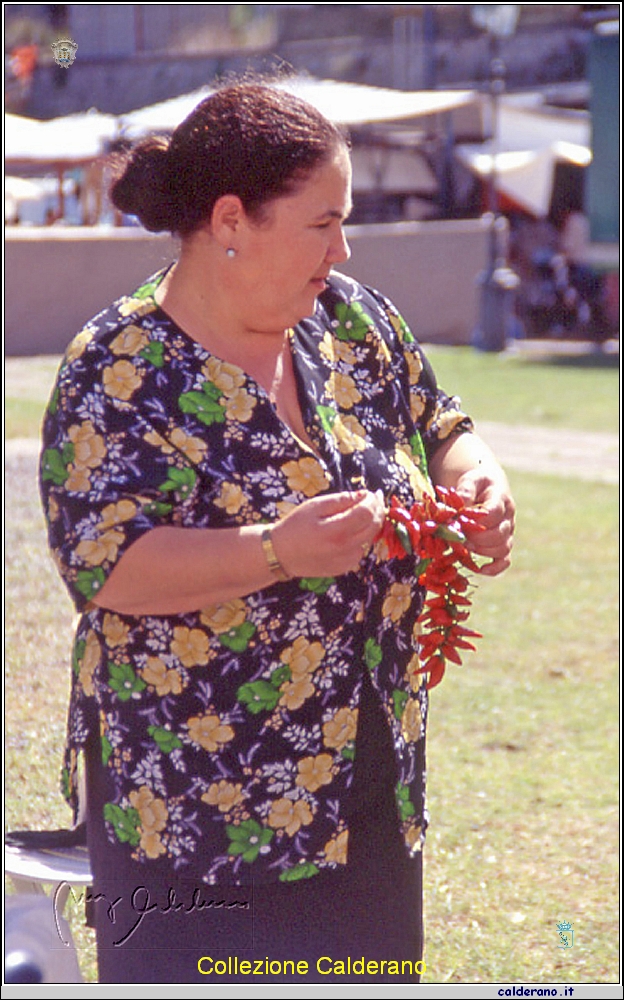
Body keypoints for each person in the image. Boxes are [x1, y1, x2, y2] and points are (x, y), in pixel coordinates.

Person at [40, 80, 514, 985]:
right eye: (322, 223)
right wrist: (274, 552)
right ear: (230, 221)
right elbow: (106, 565)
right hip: (192, 809)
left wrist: (476, 480)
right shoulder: (118, 368)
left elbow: (440, 421)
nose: (342, 251)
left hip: (366, 785)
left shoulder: (352, 321)